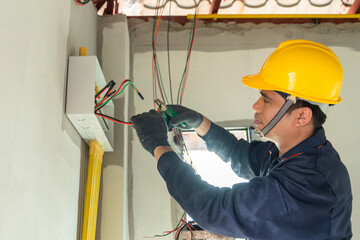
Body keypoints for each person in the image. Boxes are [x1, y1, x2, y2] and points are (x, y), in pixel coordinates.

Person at [131, 40, 352, 240]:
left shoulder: (311, 181)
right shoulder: (293, 154)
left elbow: (214, 209)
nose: (256, 106)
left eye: (266, 100)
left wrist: (158, 146)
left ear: (302, 116)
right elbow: (241, 155)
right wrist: (199, 123)